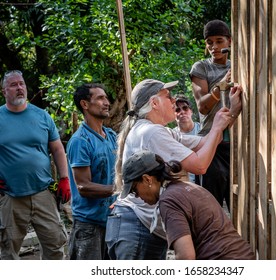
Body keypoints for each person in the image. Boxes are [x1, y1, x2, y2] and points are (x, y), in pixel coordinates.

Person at [105, 78, 242, 260]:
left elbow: (205, 143)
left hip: (140, 224)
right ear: (154, 103)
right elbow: (200, 165)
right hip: (137, 228)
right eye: (168, 97)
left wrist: (230, 113)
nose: (173, 102)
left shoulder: (157, 130)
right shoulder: (152, 133)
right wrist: (217, 126)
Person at [120, 150, 256, 260]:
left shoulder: (168, 201)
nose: (136, 196)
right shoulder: (187, 187)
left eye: (134, 189)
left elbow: (186, 257)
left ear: (147, 179)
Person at [0, 70, 70, 260]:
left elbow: (57, 149)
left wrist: (64, 179)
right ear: (4, 91)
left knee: (55, 245)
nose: (19, 88)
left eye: (21, 84)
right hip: (11, 196)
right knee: (8, 253)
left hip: (43, 193)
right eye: (13, 85)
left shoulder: (42, 116)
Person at [189, 19, 242, 211]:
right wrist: (221, 85)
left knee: (239, 205)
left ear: (230, 42)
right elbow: (202, 106)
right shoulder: (201, 68)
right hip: (210, 143)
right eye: (209, 42)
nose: (214, 46)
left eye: (219, 41)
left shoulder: (240, 66)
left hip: (236, 144)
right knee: (210, 207)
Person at [66, 83, 118, 260]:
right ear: (85, 104)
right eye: (100, 98)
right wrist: (119, 188)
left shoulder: (111, 136)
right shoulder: (80, 141)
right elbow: (83, 186)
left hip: (112, 221)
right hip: (89, 226)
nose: (107, 102)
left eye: (106, 98)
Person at [173, 94, 200, 183]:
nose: (182, 112)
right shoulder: (171, 136)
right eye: (177, 110)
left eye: (185, 108)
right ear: (174, 115)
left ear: (191, 111)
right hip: (182, 181)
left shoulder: (202, 130)